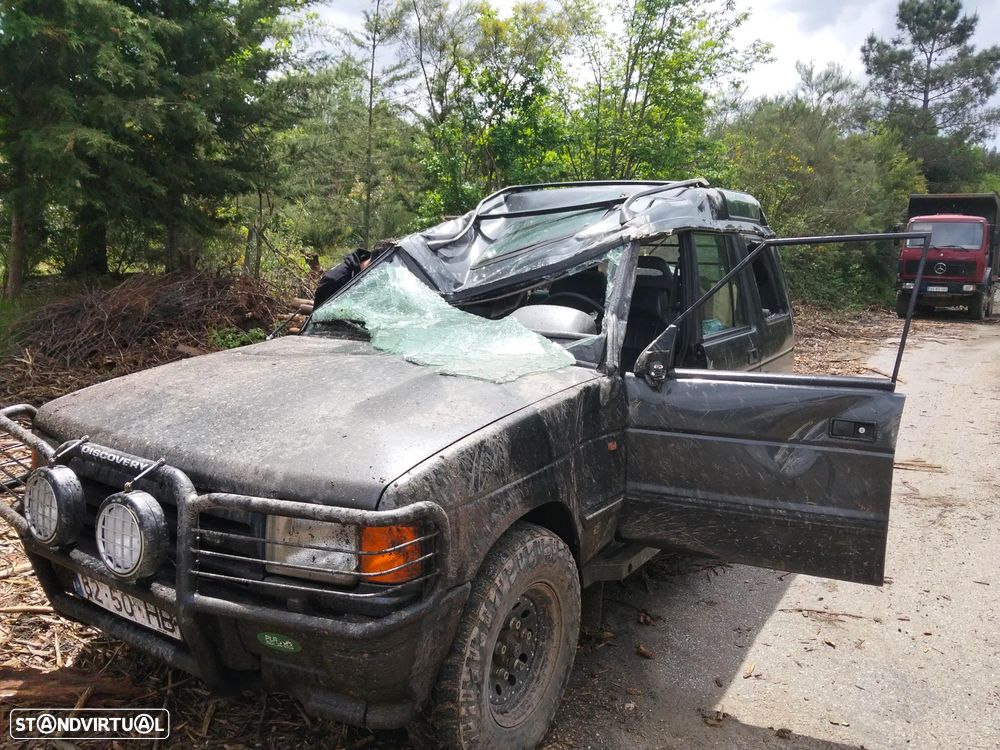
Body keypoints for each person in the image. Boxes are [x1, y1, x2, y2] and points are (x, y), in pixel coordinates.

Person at [312, 241, 393, 309]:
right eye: (385, 273)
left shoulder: (379, 282)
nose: (387, 279)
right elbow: (316, 321)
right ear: (375, 265)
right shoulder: (334, 281)